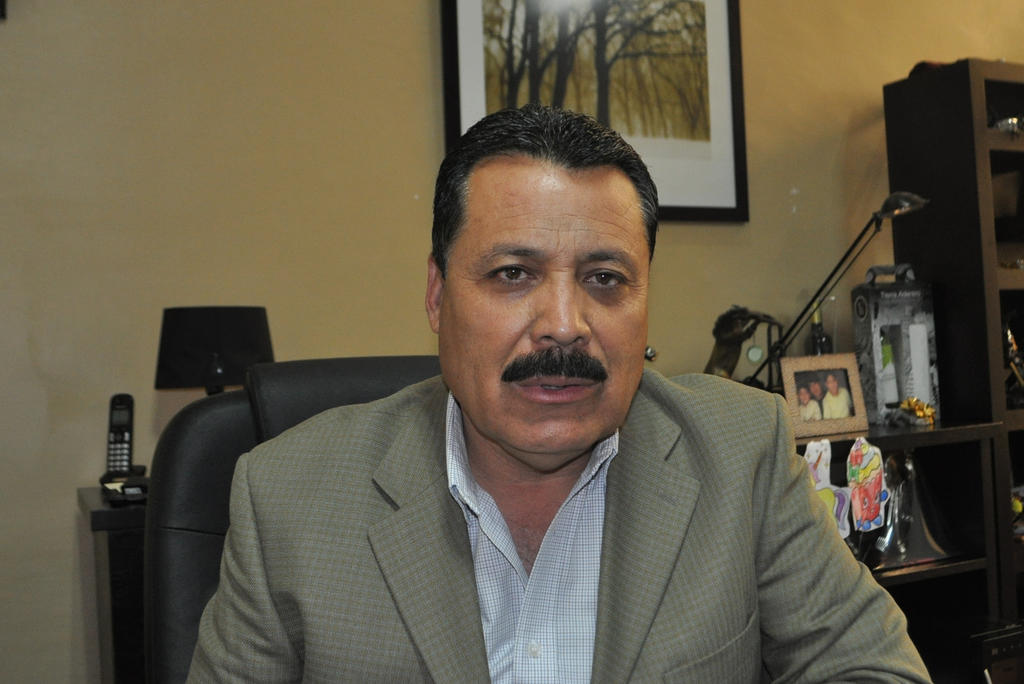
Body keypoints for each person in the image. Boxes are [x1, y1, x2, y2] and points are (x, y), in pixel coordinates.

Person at [188, 105, 930, 682]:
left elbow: (874, 670)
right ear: (438, 295)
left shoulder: (742, 455)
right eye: (513, 274)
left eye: (605, 279)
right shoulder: (287, 498)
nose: (565, 326)